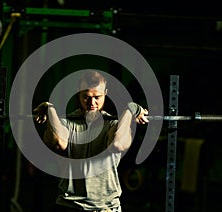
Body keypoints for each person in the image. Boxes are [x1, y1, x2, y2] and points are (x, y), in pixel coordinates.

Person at [33, 70, 149, 212]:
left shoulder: (113, 124)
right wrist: (49, 108)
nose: (91, 103)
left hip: (106, 207)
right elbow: (59, 142)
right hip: (70, 205)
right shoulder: (66, 123)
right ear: (78, 92)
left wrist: (131, 109)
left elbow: (118, 144)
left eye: (97, 97)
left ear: (105, 93)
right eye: (86, 97)